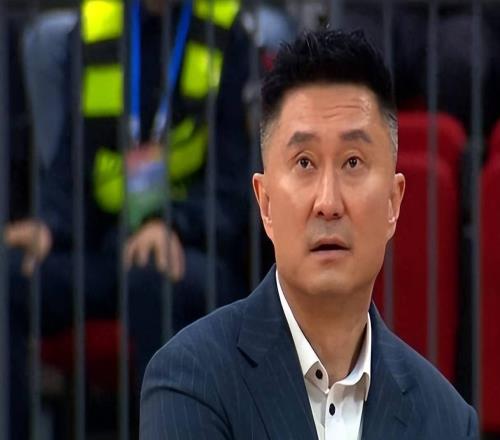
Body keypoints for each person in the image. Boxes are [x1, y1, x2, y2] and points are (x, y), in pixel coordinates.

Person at [140, 29, 479, 439]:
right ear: (266, 203)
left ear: (393, 203)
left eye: (353, 162)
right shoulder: (191, 381)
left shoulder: (447, 420)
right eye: (304, 162)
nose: (328, 202)